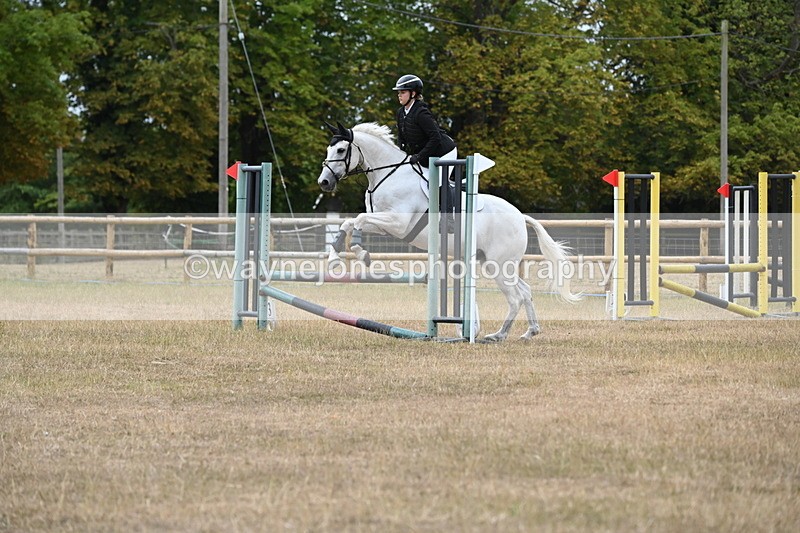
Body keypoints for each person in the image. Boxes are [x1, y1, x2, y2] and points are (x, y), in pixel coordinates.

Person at [393, 74, 456, 169]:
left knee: (433, 183)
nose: (399, 95)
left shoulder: (421, 113)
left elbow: (435, 138)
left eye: (403, 92)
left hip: (444, 153)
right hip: (427, 154)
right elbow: (401, 138)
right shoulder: (400, 113)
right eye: (398, 93)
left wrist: (419, 156)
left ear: (413, 94)